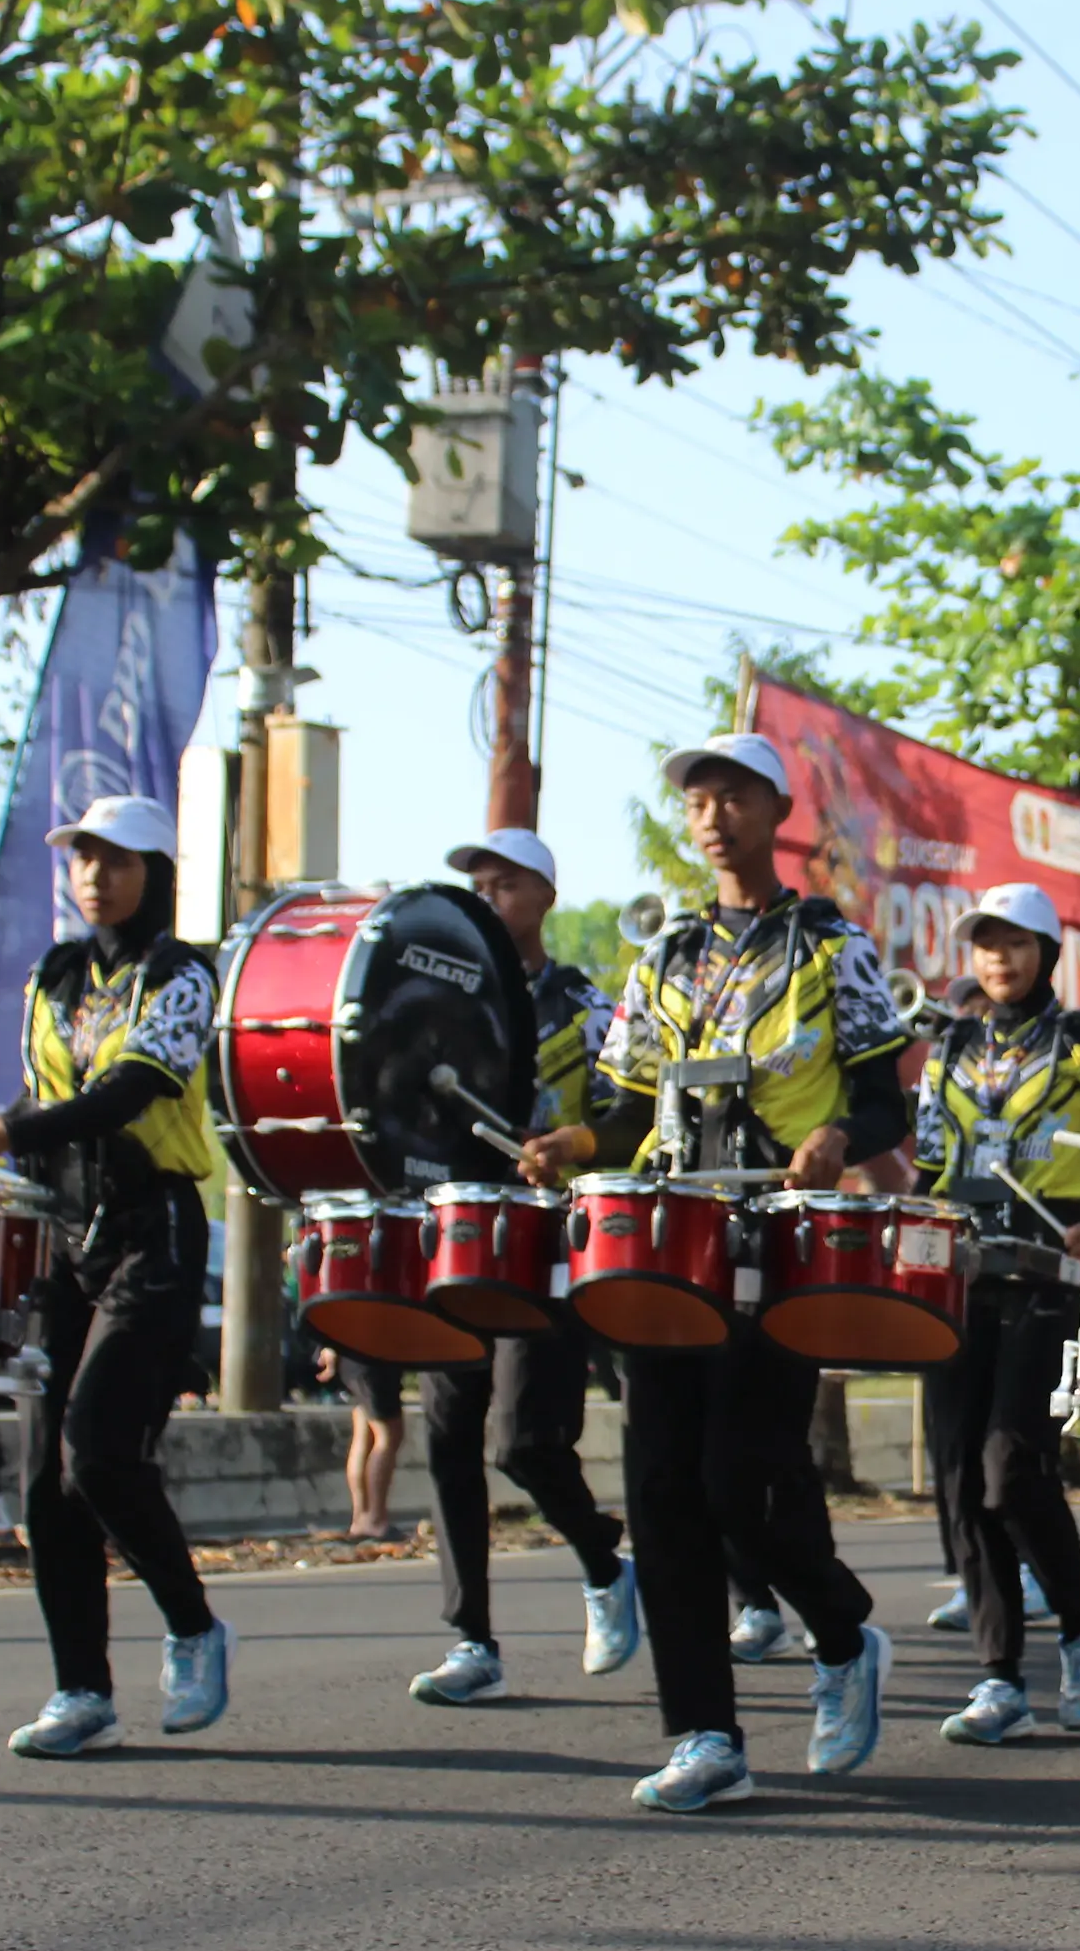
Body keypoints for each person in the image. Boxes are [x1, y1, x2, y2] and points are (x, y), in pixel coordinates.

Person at [545, 732, 901, 1811]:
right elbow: (621, 1112)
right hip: (666, 1241)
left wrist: (841, 1135)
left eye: (733, 794)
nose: (711, 814)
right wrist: (575, 1142)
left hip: (779, 1240)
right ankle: (705, 1733)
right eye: (698, 798)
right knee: (659, 1489)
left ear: (777, 810)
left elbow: (889, 1100)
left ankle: (842, 1632)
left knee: (740, 1479)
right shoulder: (663, 957)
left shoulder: (837, 949)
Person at [0, 792, 233, 1755]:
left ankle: (195, 1627)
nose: (94, 876)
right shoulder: (56, 975)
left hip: (152, 1233)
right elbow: (42, 1094)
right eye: (82, 858)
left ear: (157, 873)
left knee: (100, 1452)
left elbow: (131, 1090)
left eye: (116, 860)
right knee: (46, 1482)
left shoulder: (184, 975)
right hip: (63, 1239)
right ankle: (83, 1692)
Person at [403, 826, 642, 1707]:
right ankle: (472, 1640)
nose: (487, 901)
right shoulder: (436, 1005)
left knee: (524, 1444)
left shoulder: (589, 1007)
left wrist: (575, 1147)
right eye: (474, 887)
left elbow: (630, 1113)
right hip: (455, 1240)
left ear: (543, 895)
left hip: (551, 1243)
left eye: (504, 886)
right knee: (447, 1435)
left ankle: (603, 1561)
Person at [910, 881, 1080, 1745]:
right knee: (959, 1483)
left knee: (1011, 1469)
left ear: (1048, 953)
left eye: (1015, 943)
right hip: (961, 1279)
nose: (999, 958)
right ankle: (999, 1676)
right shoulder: (947, 1052)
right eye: (985, 943)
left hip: (1051, 1280)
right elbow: (930, 1166)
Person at [333, 1350, 403, 1541]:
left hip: (354, 1360)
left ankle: (361, 1517)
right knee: (388, 1435)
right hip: (373, 1358)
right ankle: (374, 1519)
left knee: (364, 1434)